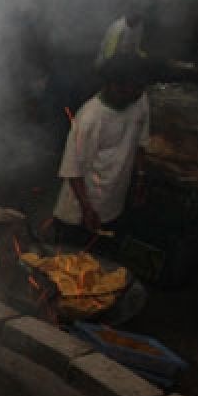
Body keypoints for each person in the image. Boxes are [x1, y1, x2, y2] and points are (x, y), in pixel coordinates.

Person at [51, 55, 150, 250]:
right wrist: (87, 209)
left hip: (114, 204)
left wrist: (140, 178)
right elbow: (73, 170)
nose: (138, 94)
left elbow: (140, 141)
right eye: (134, 89)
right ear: (114, 85)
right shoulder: (89, 119)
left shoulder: (139, 100)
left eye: (141, 88)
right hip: (79, 213)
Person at [95, 0, 151, 70]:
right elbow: (108, 53)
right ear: (133, 9)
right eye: (142, 9)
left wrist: (142, 56)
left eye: (146, 10)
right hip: (110, 61)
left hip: (127, 59)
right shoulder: (118, 27)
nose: (144, 13)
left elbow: (135, 46)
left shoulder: (139, 25)